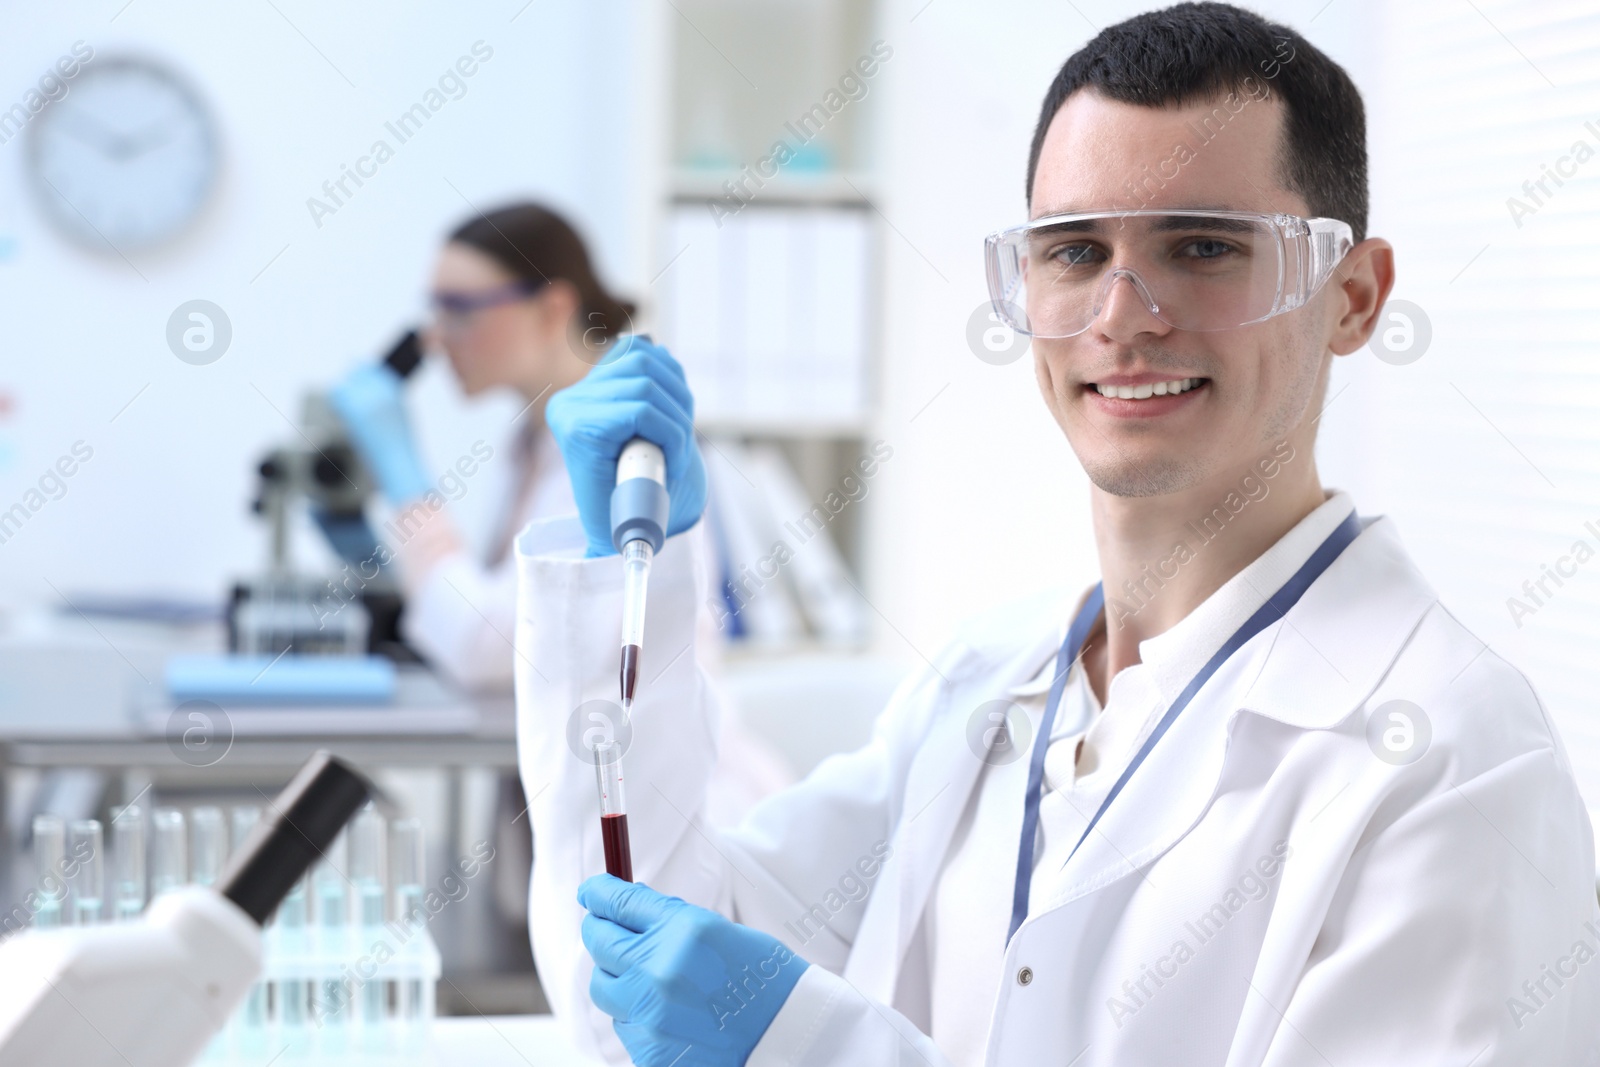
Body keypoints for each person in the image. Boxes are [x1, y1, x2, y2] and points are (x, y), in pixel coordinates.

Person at [512, 6, 1600, 1066]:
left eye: (1205, 246)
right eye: (1074, 251)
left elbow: (773, 1027)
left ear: (1352, 297)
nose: (1122, 316)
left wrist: (810, 1044)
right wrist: (625, 572)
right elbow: (642, 982)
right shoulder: (991, 686)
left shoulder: (1450, 758)